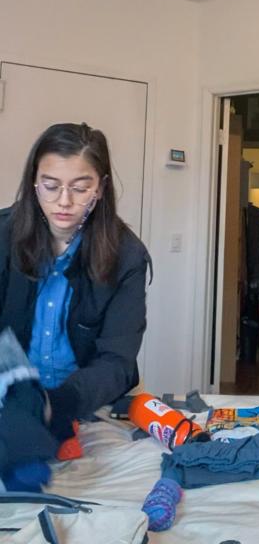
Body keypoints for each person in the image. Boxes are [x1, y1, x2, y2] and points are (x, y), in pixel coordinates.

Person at [0, 123, 151, 441]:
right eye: (51, 185)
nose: (64, 201)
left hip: (90, 406)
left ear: (100, 187)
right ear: (34, 183)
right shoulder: (3, 237)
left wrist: (55, 404)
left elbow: (117, 361)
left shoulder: (127, 256)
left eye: (81, 187)